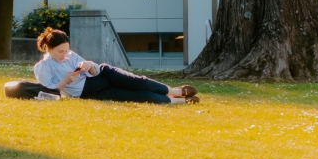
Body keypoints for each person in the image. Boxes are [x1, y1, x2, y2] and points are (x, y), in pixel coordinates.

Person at [32, 27, 199, 104]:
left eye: (66, 50)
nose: (64, 54)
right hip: (91, 91)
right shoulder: (43, 66)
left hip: (102, 74)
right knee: (139, 96)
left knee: (139, 82)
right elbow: (47, 93)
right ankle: (179, 101)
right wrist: (65, 82)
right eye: (60, 51)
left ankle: (175, 91)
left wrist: (89, 65)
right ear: (49, 48)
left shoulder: (71, 56)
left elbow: (95, 70)